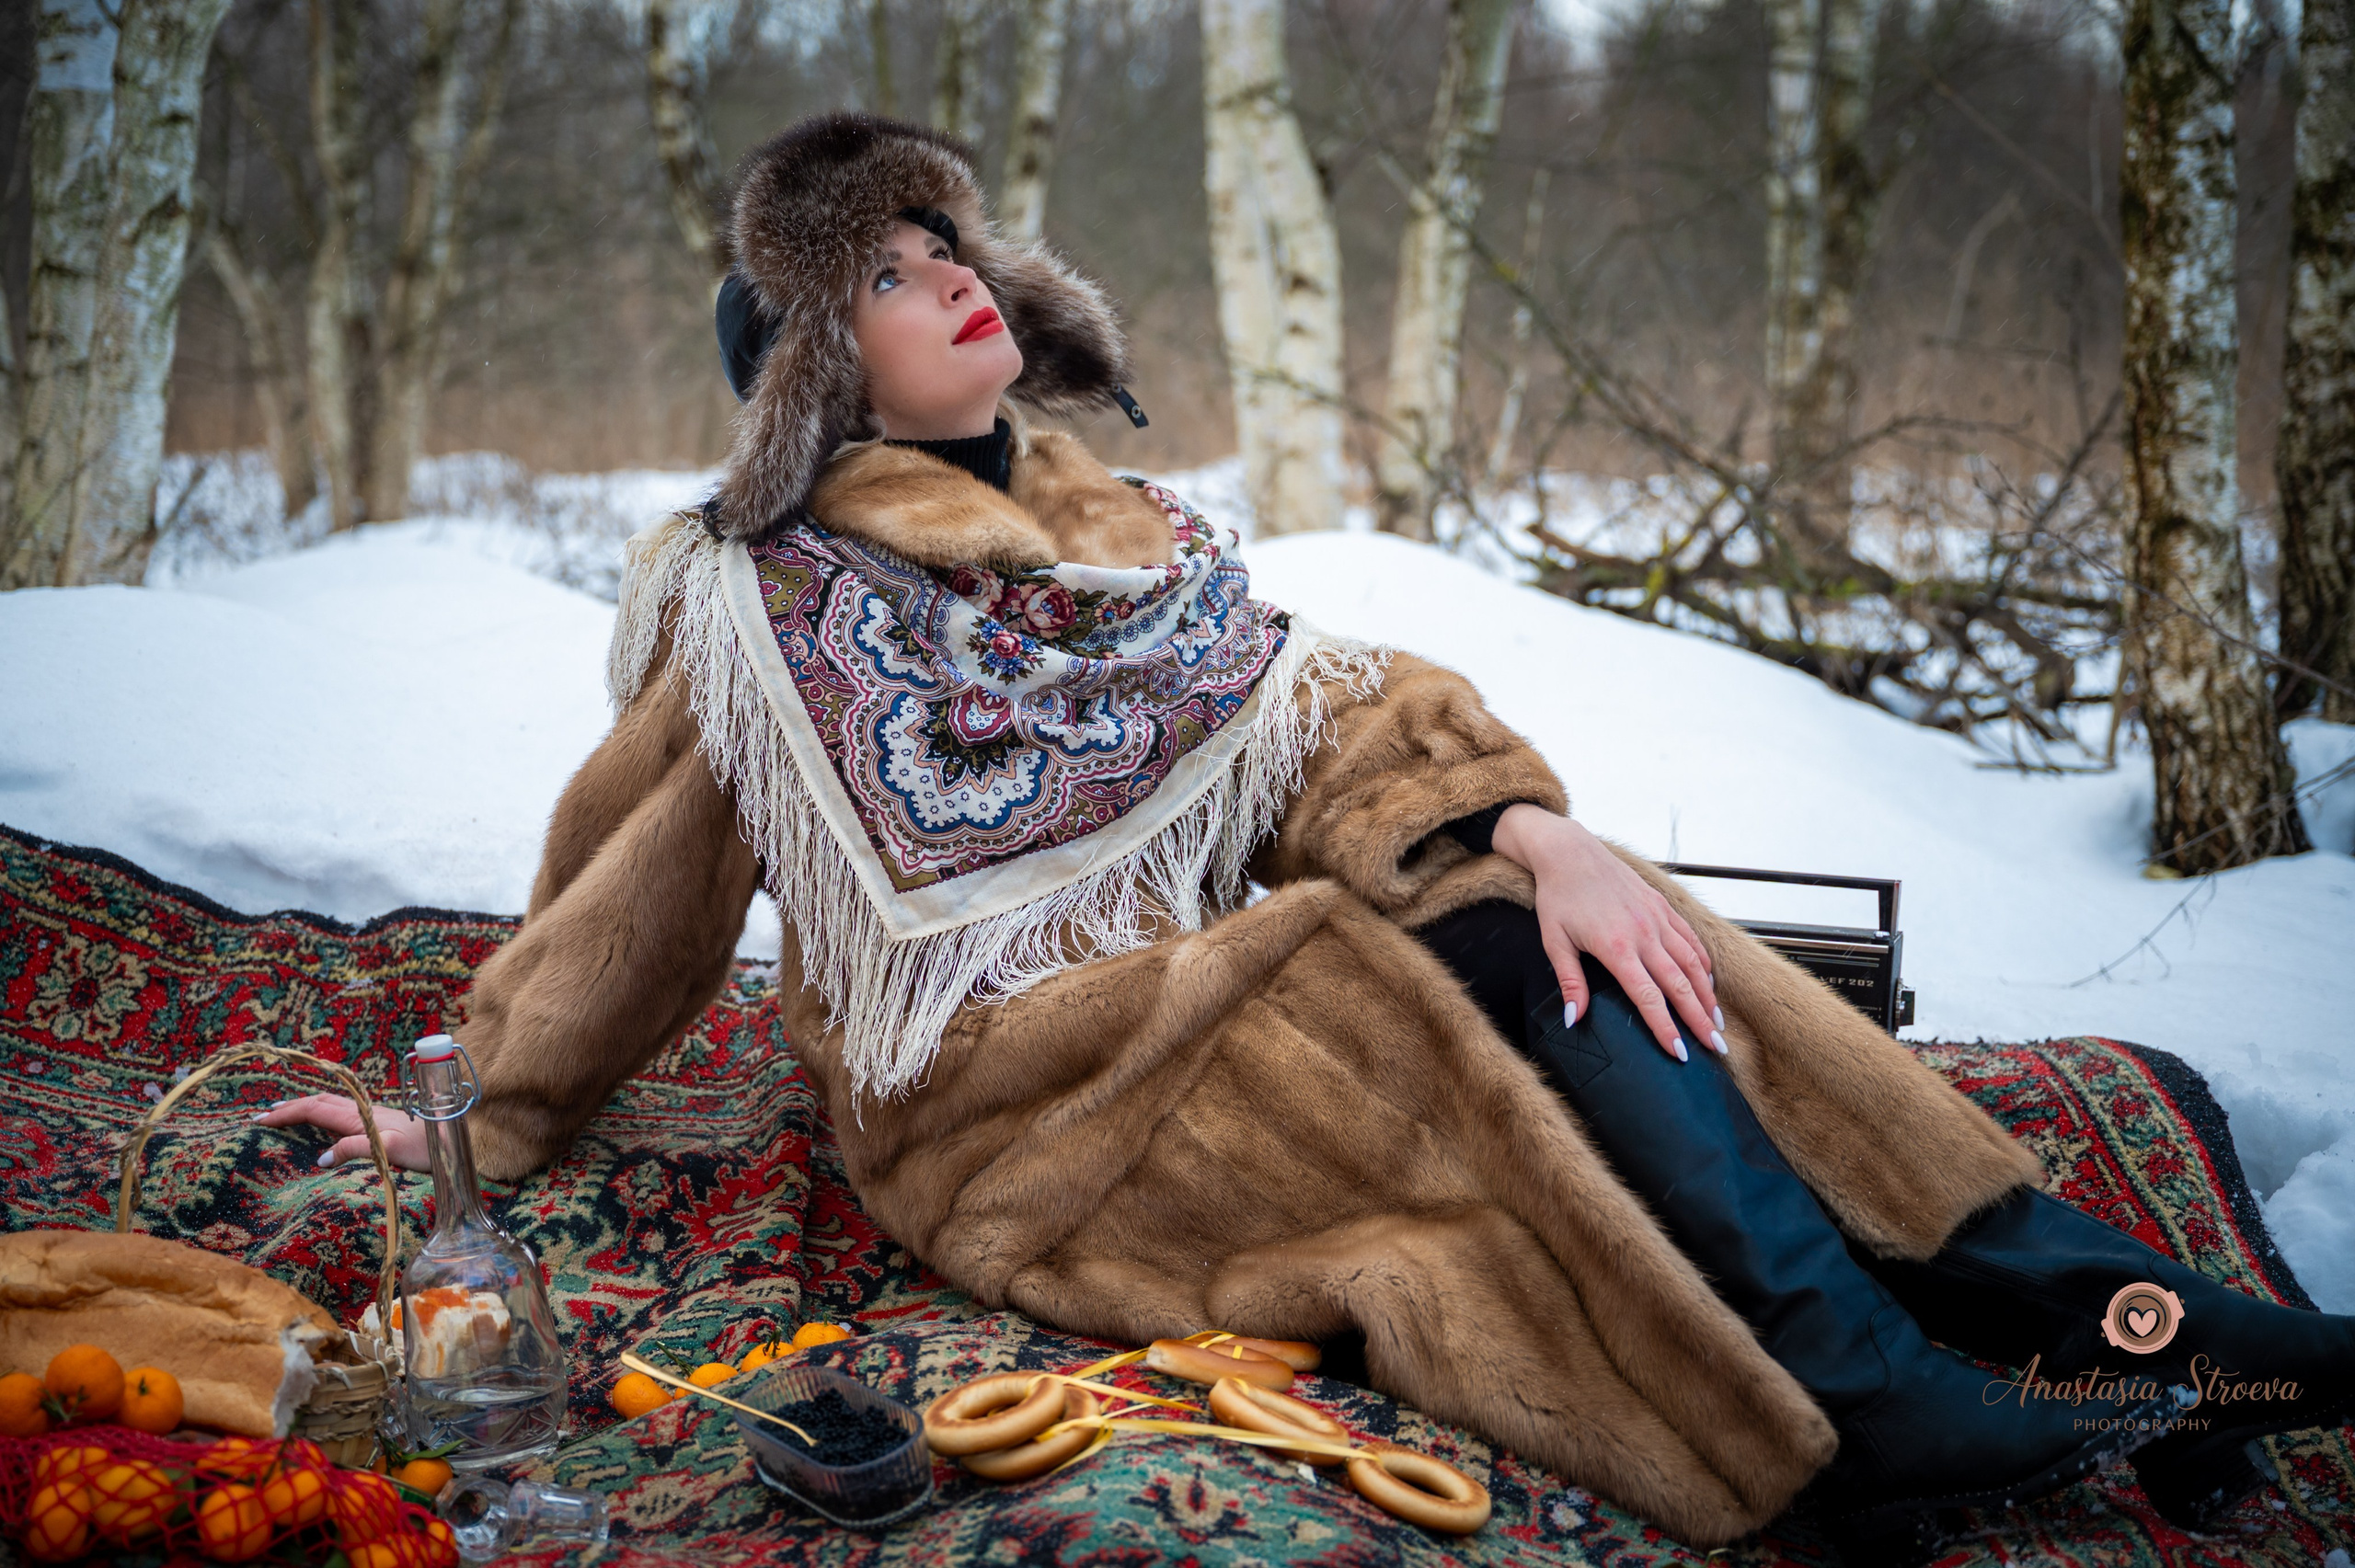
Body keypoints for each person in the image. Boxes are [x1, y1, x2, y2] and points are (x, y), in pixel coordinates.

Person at [264, 111, 2350, 1560]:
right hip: (1005, 1103)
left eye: (949, 245)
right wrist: (495, 1108)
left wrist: (1539, 833)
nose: (951, 281)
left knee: (1519, 909)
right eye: (888, 277)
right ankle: (1844, 1391)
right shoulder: (769, 598)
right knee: (1361, 975)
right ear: (823, 367)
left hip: (1202, 1012)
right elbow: (632, 891)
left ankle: (2089, 1310)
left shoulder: (1132, 540)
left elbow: (1327, 718)